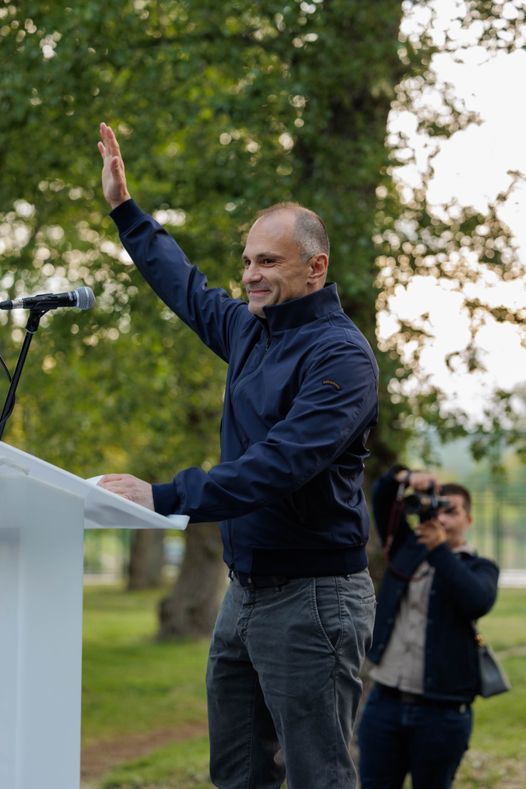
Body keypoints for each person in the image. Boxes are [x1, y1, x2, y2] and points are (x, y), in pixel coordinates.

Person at [97, 121, 378, 788]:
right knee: (238, 775)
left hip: (314, 599)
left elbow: (280, 463)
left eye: (268, 261)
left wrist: (166, 495)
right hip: (244, 591)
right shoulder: (253, 331)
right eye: (247, 260)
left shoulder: (340, 356)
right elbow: (186, 287)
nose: (250, 274)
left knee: (320, 776)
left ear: (317, 267)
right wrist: (125, 212)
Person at [358, 465, 499, 789]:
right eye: (437, 507)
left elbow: (477, 600)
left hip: (443, 712)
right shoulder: (407, 549)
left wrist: (439, 549)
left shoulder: (480, 567)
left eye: (452, 511)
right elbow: (380, 496)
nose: (443, 518)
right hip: (385, 703)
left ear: (469, 519)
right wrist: (405, 477)